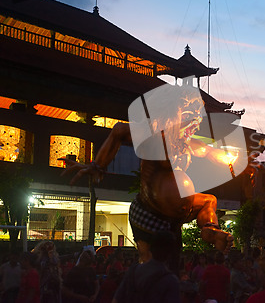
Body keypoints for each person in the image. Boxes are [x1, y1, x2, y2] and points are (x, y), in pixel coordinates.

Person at [61, 86, 235, 272]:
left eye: (197, 118)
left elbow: (211, 152)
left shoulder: (187, 143)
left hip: (174, 217)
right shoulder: (154, 137)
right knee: (152, 264)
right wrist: (97, 165)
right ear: (174, 114)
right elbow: (119, 131)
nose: (196, 124)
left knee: (209, 200)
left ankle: (211, 230)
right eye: (190, 117)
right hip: (149, 211)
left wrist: (231, 159)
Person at [113, 231, 180, 303]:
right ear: (171, 252)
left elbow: (116, 299)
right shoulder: (171, 281)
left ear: (150, 248)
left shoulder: (133, 271)